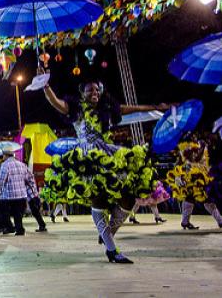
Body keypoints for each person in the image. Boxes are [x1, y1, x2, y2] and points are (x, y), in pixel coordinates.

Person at [39, 68, 168, 263]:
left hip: (108, 154)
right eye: (90, 90)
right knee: (98, 199)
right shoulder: (77, 110)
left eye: (97, 90)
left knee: (128, 199)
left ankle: (106, 234)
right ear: (82, 93)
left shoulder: (107, 109)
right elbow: (55, 102)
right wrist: (45, 84)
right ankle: (111, 250)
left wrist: (155, 107)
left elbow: (132, 108)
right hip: (87, 159)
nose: (95, 94)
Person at [166, 142, 222, 229]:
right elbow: (194, 159)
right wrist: (202, 148)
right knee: (205, 199)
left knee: (192, 199)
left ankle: (185, 222)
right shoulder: (188, 147)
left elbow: (183, 161)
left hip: (193, 176)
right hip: (193, 177)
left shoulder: (187, 146)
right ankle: (220, 221)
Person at [0, 147, 35, 235]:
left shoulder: (5, 165)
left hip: (9, 196)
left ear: (5, 155)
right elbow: (29, 178)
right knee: (18, 214)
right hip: (21, 195)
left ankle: (10, 227)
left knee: (3, 212)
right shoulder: (22, 164)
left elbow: (1, 181)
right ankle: (19, 230)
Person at [25, 166, 47, 232]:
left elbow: (26, 181)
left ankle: (42, 225)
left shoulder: (27, 174)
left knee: (35, 212)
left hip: (32, 195)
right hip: (33, 195)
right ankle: (42, 225)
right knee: (35, 212)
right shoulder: (29, 173)